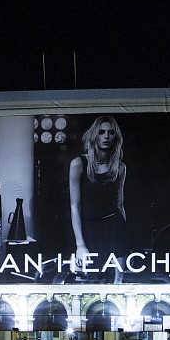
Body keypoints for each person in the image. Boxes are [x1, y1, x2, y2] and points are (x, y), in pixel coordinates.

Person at [66, 115, 130, 283]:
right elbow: (75, 206)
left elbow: (119, 204)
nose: (106, 136)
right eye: (102, 132)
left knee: (117, 283)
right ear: (95, 136)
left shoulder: (120, 168)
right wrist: (80, 244)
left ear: (115, 136)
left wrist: (125, 236)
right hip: (87, 229)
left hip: (114, 229)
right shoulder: (78, 164)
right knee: (84, 281)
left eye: (110, 132)